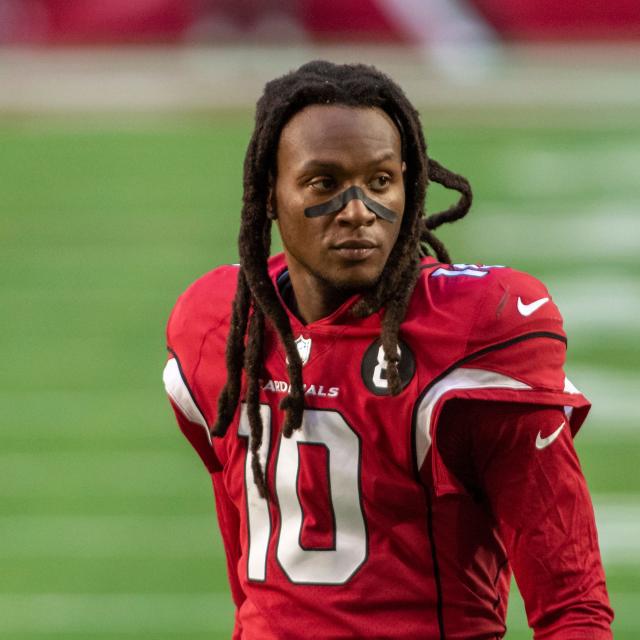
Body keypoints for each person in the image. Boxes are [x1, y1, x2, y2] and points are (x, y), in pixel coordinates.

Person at [163, 60, 613, 639]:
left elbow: (573, 606)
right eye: (324, 183)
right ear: (269, 194)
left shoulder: (476, 333)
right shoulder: (220, 324)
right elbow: (246, 566)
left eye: (380, 182)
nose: (357, 211)